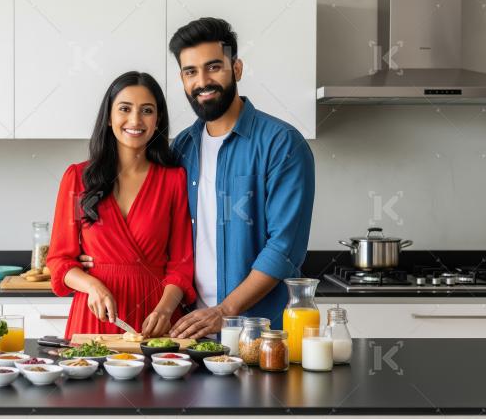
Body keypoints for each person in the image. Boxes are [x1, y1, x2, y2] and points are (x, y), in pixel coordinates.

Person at [80, 17, 315, 338]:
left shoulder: (282, 144)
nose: (202, 80)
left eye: (214, 66)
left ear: (237, 68)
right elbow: (163, 236)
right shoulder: (182, 150)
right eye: (191, 72)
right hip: (188, 331)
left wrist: (224, 312)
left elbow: (284, 248)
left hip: (259, 332)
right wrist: (98, 258)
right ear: (182, 79)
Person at [46, 71, 197, 340]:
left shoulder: (174, 180)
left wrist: (165, 310)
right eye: (124, 109)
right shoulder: (78, 178)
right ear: (109, 116)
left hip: (156, 319)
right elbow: (59, 260)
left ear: (158, 119)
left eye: (147, 110)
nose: (135, 120)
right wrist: (91, 284)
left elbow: (181, 265)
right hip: (94, 317)